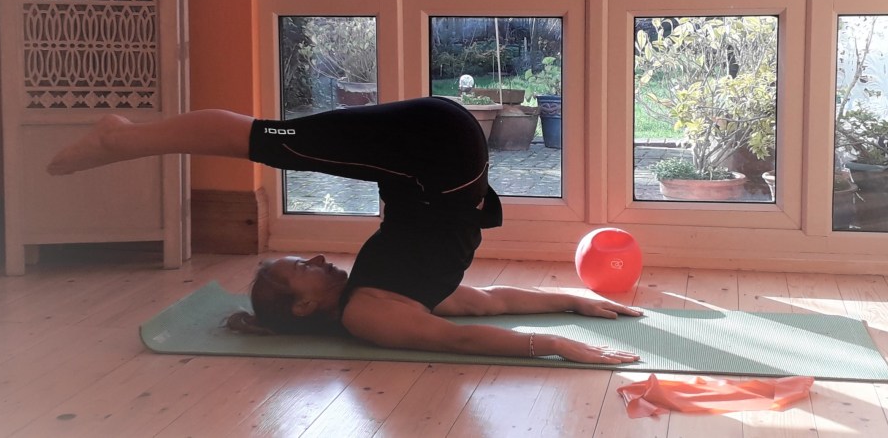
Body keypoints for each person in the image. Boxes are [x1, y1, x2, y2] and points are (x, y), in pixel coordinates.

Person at [48, 96, 642, 364]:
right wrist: (554, 341)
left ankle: (125, 138)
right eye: (301, 270)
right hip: (439, 158)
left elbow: (488, 303)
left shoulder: (379, 294)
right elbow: (468, 328)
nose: (314, 259)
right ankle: (123, 139)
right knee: (270, 139)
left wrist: (572, 302)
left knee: (278, 139)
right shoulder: (370, 314)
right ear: (304, 307)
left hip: (434, 156)